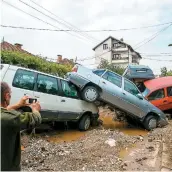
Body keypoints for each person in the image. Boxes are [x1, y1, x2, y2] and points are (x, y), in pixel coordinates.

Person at [1, 82, 42, 171]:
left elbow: (3, 111)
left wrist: (18, 105)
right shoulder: (9, 118)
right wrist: (35, 109)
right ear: (7, 96)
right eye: (10, 94)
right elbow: (35, 119)